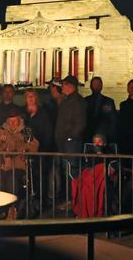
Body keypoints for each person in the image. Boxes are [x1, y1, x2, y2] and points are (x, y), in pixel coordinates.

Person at [0, 110, 39, 216]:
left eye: (15, 121)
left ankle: (13, 209)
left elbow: (34, 145)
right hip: (2, 166)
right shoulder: (0, 131)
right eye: (11, 121)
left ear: (20, 120)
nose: (13, 123)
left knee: (12, 181)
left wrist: (23, 150)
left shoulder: (26, 131)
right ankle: (0, 210)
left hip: (19, 166)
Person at [53, 75, 87, 207]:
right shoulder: (67, 100)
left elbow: (81, 123)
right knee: (66, 171)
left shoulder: (77, 101)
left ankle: (74, 200)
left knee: (72, 172)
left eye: (64, 84)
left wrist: (70, 136)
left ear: (71, 86)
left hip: (71, 142)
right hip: (64, 141)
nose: (62, 87)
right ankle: (70, 199)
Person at [84, 77, 117, 144]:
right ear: (91, 86)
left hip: (104, 134)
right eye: (95, 84)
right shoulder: (85, 101)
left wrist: (110, 134)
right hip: (87, 133)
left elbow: (113, 120)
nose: (96, 86)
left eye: (98, 84)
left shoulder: (108, 101)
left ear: (101, 86)